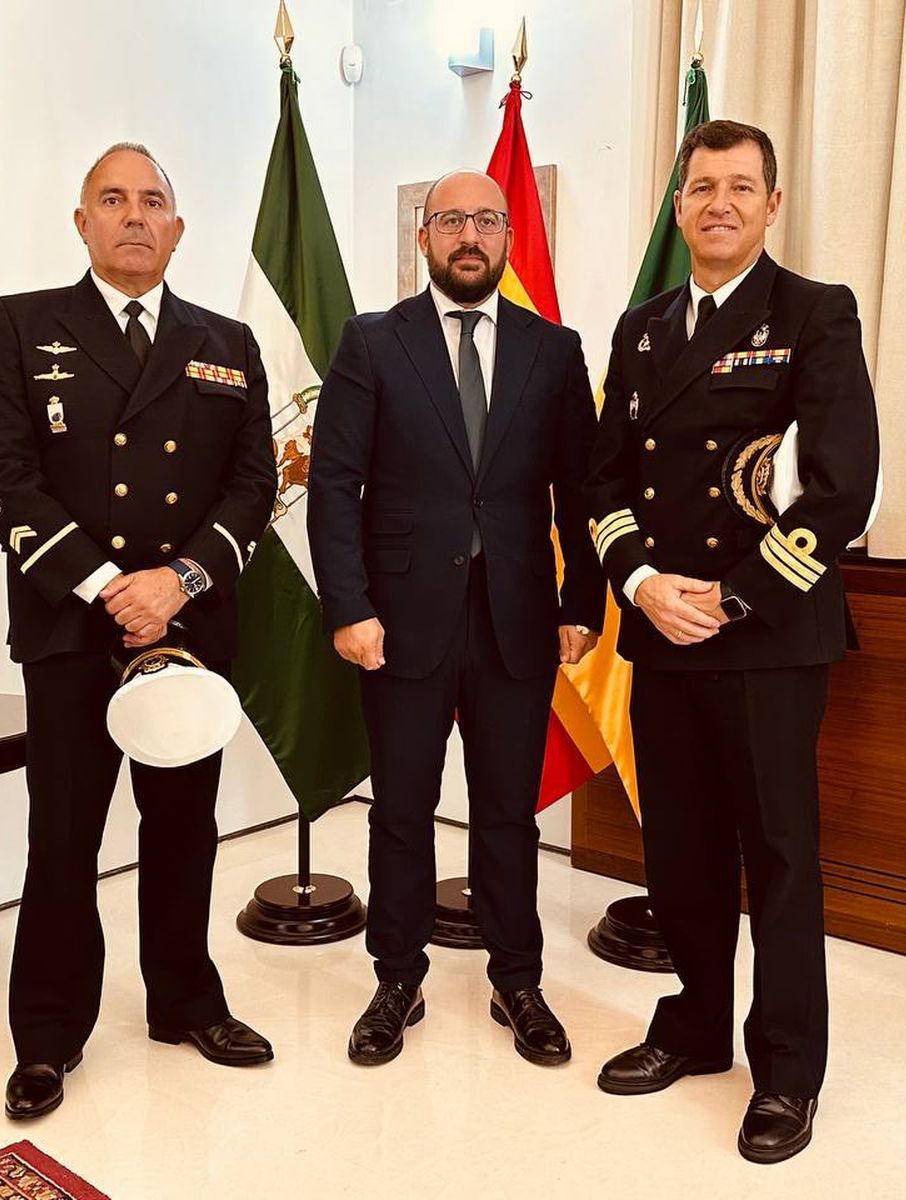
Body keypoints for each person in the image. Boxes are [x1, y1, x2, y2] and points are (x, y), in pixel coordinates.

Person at [586, 120, 880, 1163]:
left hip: (764, 636)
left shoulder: (813, 313)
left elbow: (843, 484)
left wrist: (733, 595)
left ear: (771, 203)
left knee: (781, 859)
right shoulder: (641, 328)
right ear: (677, 208)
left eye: (739, 186)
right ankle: (698, 1029)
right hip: (663, 631)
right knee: (680, 853)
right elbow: (602, 479)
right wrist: (641, 583)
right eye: (700, 186)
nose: (718, 203)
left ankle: (786, 1072)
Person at [0, 143, 277, 1120]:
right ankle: (48, 1034)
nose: (134, 216)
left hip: (186, 630)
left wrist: (176, 583)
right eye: (113, 199)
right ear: (82, 223)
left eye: (153, 202)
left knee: (184, 828)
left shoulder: (228, 339)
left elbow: (253, 485)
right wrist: (111, 586)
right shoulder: (21, 327)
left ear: (177, 229)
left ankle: (185, 1000)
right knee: (62, 837)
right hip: (71, 631)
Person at [307, 168, 603, 1068]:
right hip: (398, 623)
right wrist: (349, 607)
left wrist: (582, 602)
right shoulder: (371, 343)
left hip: (519, 619)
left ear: (508, 236)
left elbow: (580, 491)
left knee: (507, 811)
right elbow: (334, 484)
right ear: (423, 237)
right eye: (450, 220)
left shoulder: (553, 351)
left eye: (485, 219)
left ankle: (519, 979)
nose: (468, 234)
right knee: (402, 807)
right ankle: (397, 977)